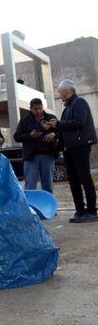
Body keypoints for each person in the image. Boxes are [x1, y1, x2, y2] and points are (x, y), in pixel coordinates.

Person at [44, 79, 97, 222]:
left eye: (60, 92)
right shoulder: (67, 107)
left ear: (66, 92)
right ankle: (80, 211)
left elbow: (79, 122)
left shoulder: (79, 102)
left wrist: (58, 124)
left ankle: (92, 211)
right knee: (73, 181)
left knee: (84, 178)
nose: (59, 94)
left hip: (80, 146)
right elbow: (66, 127)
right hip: (69, 148)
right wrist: (55, 130)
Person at [13, 98, 58, 193]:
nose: (38, 111)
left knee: (48, 185)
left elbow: (61, 132)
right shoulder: (25, 120)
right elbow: (16, 137)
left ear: (42, 107)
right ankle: (31, 207)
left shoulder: (51, 118)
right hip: (31, 157)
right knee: (30, 186)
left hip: (48, 155)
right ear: (30, 109)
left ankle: (48, 206)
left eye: (40, 108)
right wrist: (29, 135)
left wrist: (54, 134)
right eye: (35, 109)